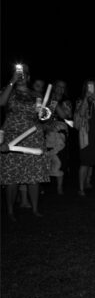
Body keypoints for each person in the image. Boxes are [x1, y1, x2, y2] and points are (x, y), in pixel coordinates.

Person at [1, 63, 49, 219]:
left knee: (33, 174)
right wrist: (11, 81)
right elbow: (1, 103)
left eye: (24, 73)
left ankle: (35, 209)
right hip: (13, 137)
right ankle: (10, 211)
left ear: (28, 77)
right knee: (12, 176)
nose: (21, 75)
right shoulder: (9, 91)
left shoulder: (36, 95)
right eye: (18, 72)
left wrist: (43, 113)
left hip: (32, 136)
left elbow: (40, 115)